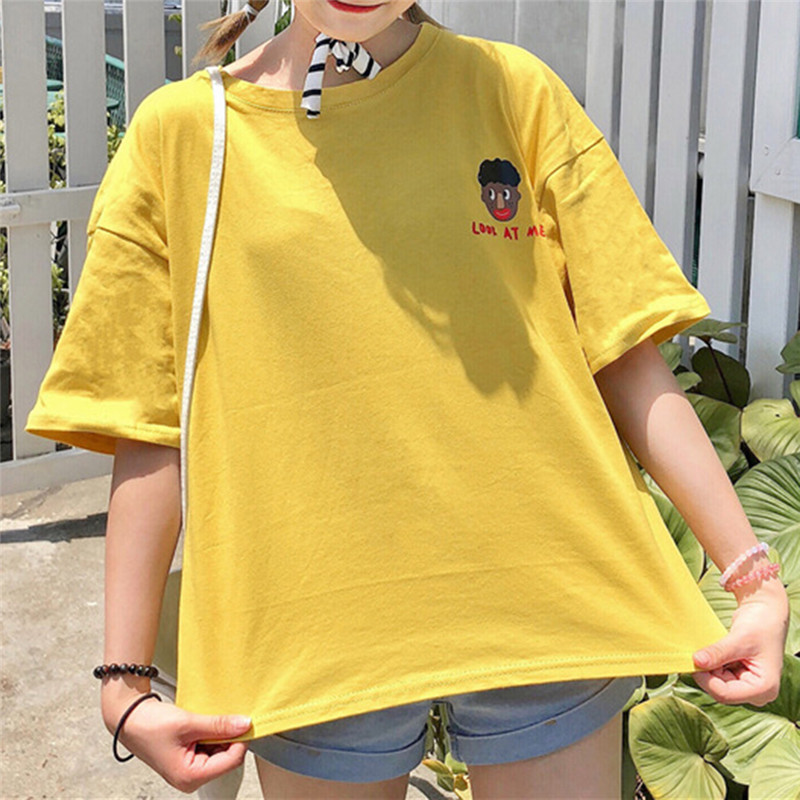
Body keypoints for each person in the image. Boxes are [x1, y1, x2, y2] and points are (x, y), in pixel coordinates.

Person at [26, 1, 789, 798]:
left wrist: (755, 583)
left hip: (547, 592)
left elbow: (624, 354)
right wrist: (123, 684)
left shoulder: (513, 92)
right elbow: (150, 424)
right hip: (310, 617)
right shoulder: (183, 134)